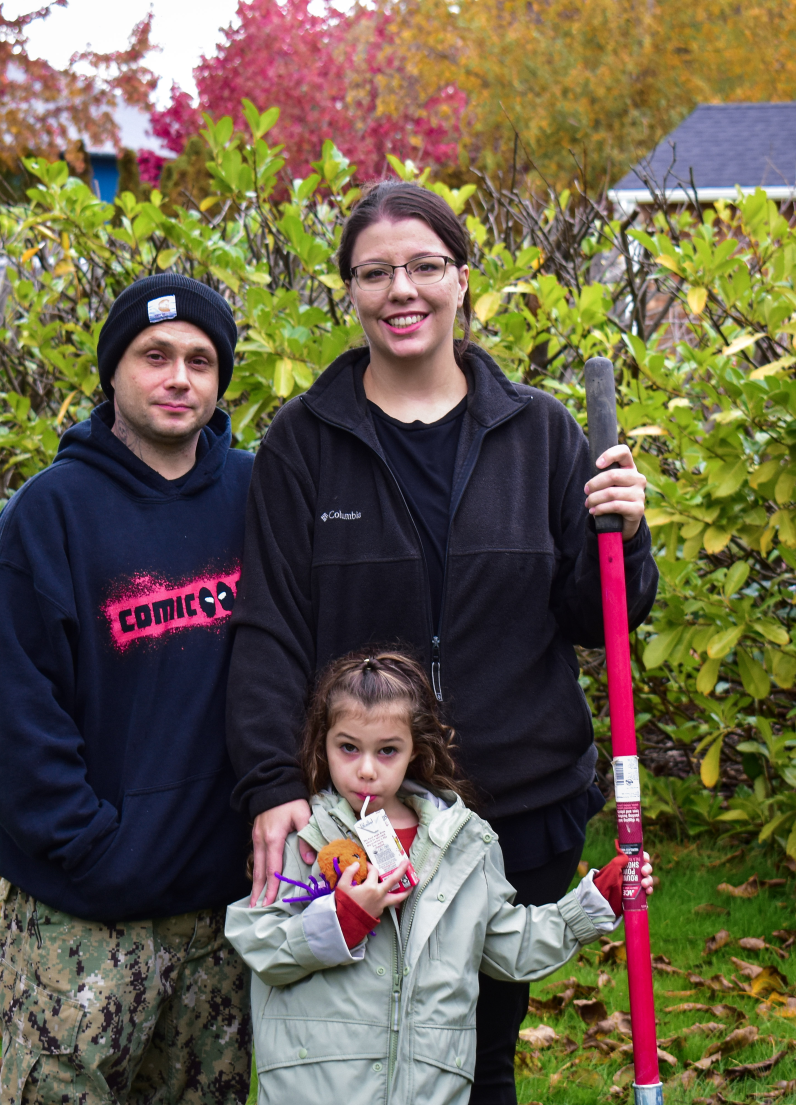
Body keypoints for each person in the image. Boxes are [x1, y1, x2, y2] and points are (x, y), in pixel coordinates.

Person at [225, 181, 659, 1104]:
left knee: (476, 1058)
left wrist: (627, 528)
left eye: (424, 265)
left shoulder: (539, 429)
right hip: (363, 810)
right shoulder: (303, 442)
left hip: (517, 805)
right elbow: (269, 628)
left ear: (463, 279)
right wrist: (272, 783)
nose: (401, 289)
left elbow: (598, 614)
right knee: (355, 1055)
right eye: (375, 272)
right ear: (349, 291)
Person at [0, 274, 254, 1105]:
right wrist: (98, 851)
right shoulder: (48, 515)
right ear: (113, 373)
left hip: (220, 915)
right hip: (82, 919)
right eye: (154, 356)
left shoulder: (253, 495)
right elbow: (19, 721)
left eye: (200, 361)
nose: (179, 378)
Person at [225, 651, 654, 1105]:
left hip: (428, 1090)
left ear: (416, 749)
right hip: (318, 1088)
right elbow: (259, 942)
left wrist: (595, 904)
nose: (366, 769)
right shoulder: (305, 839)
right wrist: (341, 920)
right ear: (322, 742)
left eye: (387, 750)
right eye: (348, 747)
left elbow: (507, 946)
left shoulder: (463, 846)